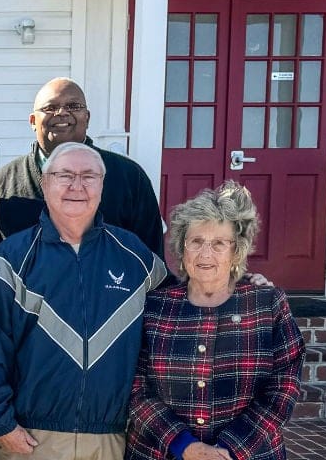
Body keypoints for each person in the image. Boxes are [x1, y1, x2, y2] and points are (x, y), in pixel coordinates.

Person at [0, 142, 168, 460]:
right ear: (45, 185)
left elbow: (182, 309)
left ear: (103, 185)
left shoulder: (135, 256)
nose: (77, 186)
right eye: (64, 175)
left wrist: (240, 283)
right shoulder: (12, 259)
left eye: (89, 176)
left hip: (112, 438)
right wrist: (0, 424)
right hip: (30, 438)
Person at [126, 182, 304, 460]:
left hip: (249, 453)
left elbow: (283, 388)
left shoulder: (267, 305)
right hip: (161, 452)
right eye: (196, 241)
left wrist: (229, 450)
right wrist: (183, 444)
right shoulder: (154, 307)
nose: (205, 254)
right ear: (182, 248)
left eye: (219, 243)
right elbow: (135, 388)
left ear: (237, 251)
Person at [0, 77, 164, 261]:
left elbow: (151, 257)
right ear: (32, 121)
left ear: (87, 118)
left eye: (73, 106)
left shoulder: (129, 178)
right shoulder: (2, 182)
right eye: (50, 107)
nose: (62, 113)